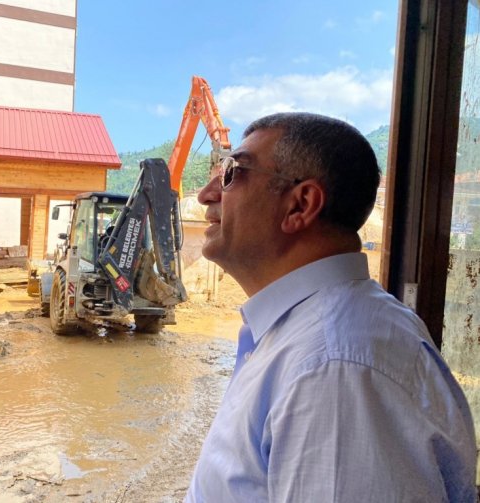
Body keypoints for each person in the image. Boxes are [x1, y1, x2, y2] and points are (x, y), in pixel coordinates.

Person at [185, 112, 477, 502]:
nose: (206, 194)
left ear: (300, 205)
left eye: (232, 173)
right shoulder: (311, 337)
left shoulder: (334, 365)